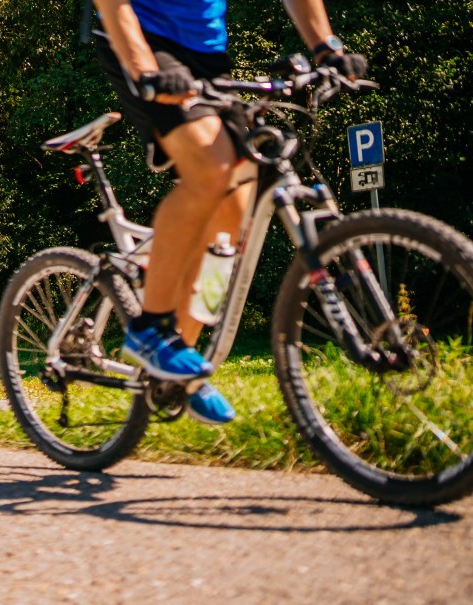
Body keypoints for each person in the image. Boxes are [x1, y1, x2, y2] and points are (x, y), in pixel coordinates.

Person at [92, 0, 367, 423]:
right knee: (212, 168)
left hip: (207, 55)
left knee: (233, 216)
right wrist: (144, 70)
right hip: (139, 40)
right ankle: (151, 327)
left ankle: (180, 369)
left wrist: (326, 47)